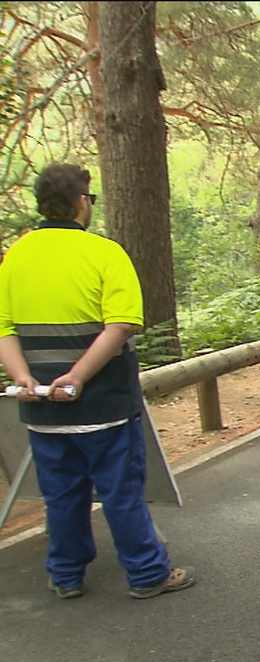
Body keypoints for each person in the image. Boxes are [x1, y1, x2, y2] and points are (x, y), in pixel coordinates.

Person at [0, 163, 195, 600]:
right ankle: (147, 574)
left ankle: (66, 575)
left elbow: (4, 329)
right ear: (81, 202)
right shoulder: (105, 253)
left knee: (62, 496)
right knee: (121, 493)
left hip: (43, 409)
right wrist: (79, 376)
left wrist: (23, 377)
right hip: (103, 405)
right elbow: (121, 326)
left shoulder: (16, 256)